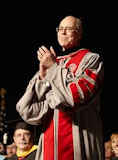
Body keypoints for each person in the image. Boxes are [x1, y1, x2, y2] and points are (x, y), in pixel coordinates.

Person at [16, 15, 105, 159]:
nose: (62, 33)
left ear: (79, 33)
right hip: (49, 142)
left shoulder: (91, 59)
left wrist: (53, 70)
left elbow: (75, 96)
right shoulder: (53, 62)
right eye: (60, 29)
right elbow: (26, 110)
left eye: (68, 29)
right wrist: (42, 78)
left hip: (79, 140)